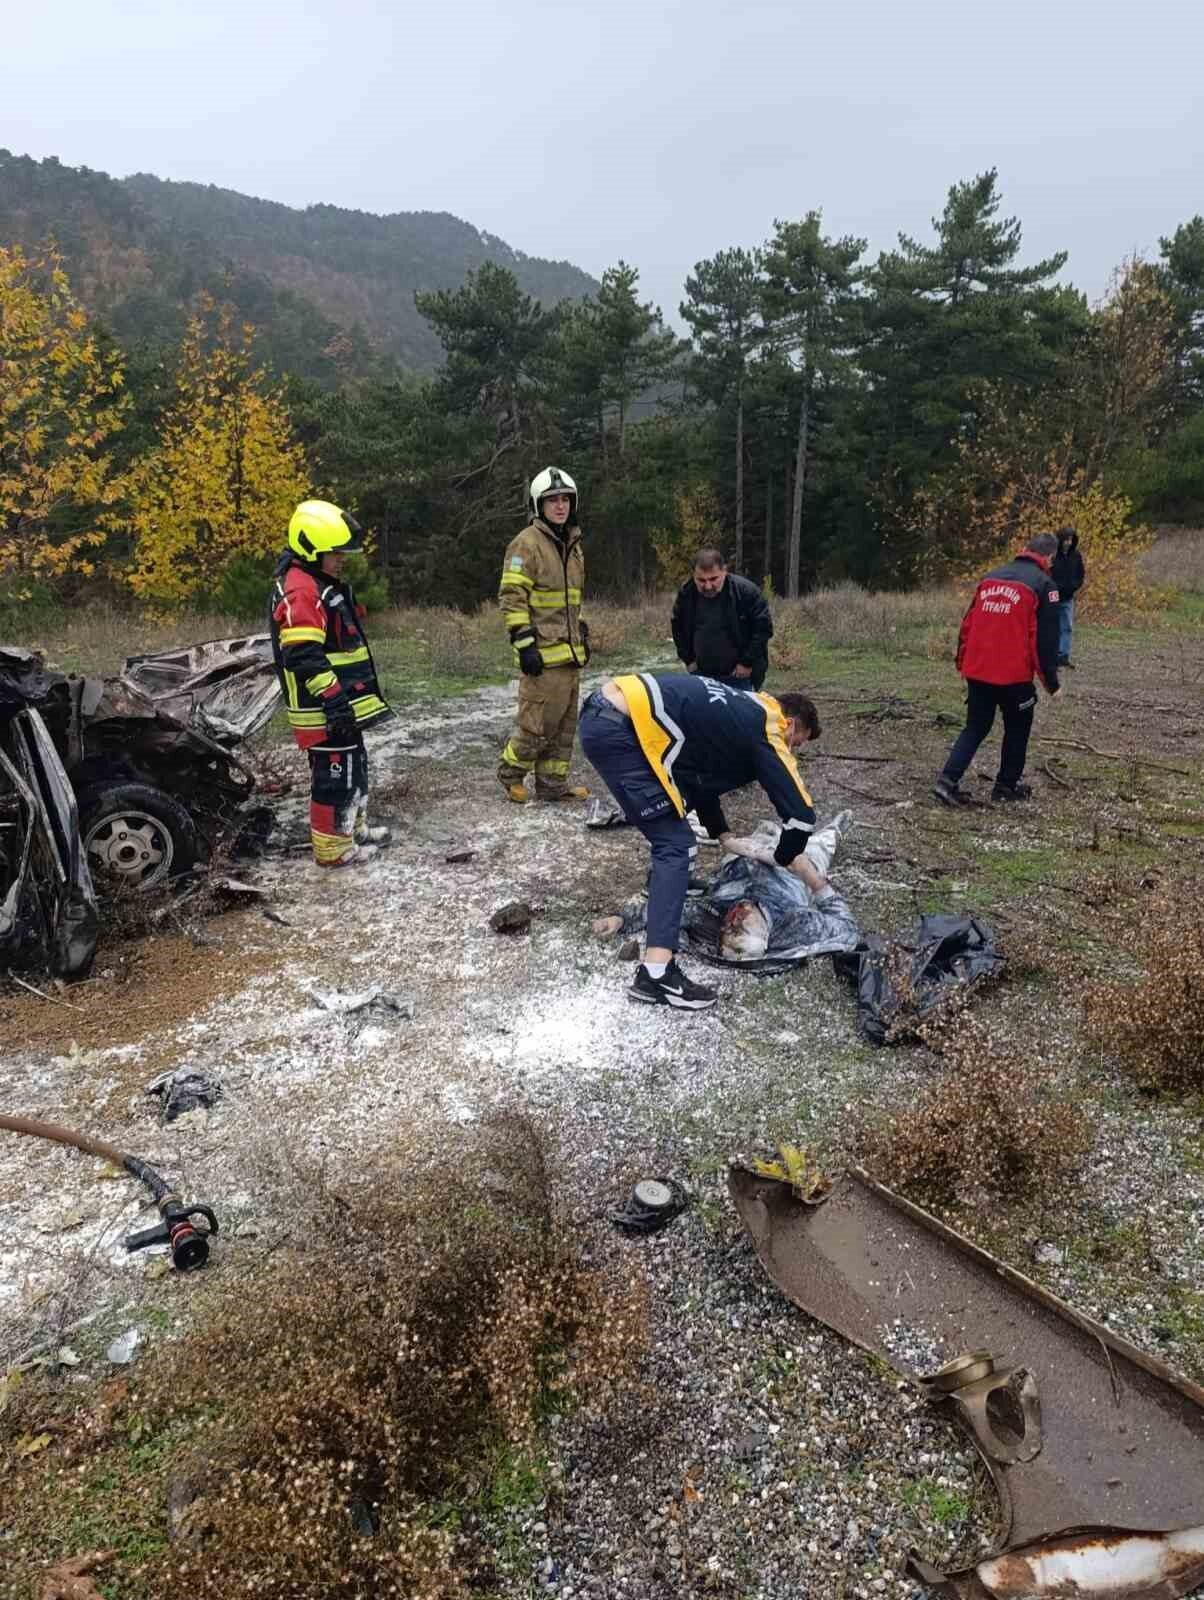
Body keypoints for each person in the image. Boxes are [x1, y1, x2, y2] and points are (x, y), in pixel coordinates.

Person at [579, 672, 820, 1009]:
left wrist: (721, 833)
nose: (792, 751)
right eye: (797, 744)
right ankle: (657, 976)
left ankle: (662, 886)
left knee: (674, 824)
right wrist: (784, 856)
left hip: (610, 710)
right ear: (791, 725)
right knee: (676, 846)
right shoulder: (768, 726)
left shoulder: (744, 707)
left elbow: (696, 776)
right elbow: (800, 815)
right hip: (618, 727)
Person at [269, 500, 393, 867]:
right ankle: (332, 849)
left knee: (355, 764)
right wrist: (334, 700)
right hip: (322, 708)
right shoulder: (302, 590)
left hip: (339, 704)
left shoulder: (318, 582)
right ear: (311, 550)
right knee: (334, 774)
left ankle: (352, 829)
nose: (342, 558)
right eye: (335, 552)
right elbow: (303, 655)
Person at [593, 811, 859, 968]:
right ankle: (834, 831)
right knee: (819, 846)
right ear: (764, 935)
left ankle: (766, 833)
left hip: (742, 860)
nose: (734, 918)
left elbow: (664, 912)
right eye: (742, 926)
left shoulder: (712, 914)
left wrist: (619, 919)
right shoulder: (795, 924)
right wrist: (811, 878)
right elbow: (847, 928)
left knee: (762, 832)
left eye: (728, 929)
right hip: (792, 872)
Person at [934, 533, 1062, 809]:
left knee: (976, 726)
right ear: (1049, 557)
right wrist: (1051, 682)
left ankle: (947, 780)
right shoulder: (1044, 585)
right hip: (1013, 675)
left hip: (978, 670)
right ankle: (1006, 786)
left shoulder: (991, 576)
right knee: (1018, 726)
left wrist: (962, 661)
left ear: (1025, 550)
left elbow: (967, 625)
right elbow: (1044, 641)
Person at [497, 467, 590, 803]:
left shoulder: (573, 544)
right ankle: (510, 775)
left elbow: (573, 599)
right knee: (537, 724)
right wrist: (524, 645)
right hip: (542, 653)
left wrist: (582, 632)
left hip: (569, 652)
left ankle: (552, 784)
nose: (560, 506)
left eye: (565, 499)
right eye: (552, 500)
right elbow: (512, 597)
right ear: (539, 505)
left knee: (564, 726)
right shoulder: (526, 544)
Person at [670, 548, 773, 690]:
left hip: (740, 675)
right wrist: (688, 659)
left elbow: (763, 629)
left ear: (724, 571)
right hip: (701, 674)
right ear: (693, 575)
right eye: (701, 580)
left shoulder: (746, 592)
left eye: (713, 579)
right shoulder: (686, 594)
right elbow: (677, 627)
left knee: (740, 712)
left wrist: (747, 662)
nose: (708, 586)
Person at [1050, 526, 1085, 668]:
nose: (1068, 543)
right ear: (1060, 540)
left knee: (1067, 627)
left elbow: (1081, 574)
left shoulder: (1076, 555)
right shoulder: (1052, 556)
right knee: (1053, 627)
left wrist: (1074, 586)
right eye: (1066, 540)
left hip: (1068, 597)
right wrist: (1053, 588)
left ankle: (1063, 656)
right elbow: (1046, 574)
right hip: (1053, 597)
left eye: (1071, 540)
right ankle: (1053, 657)